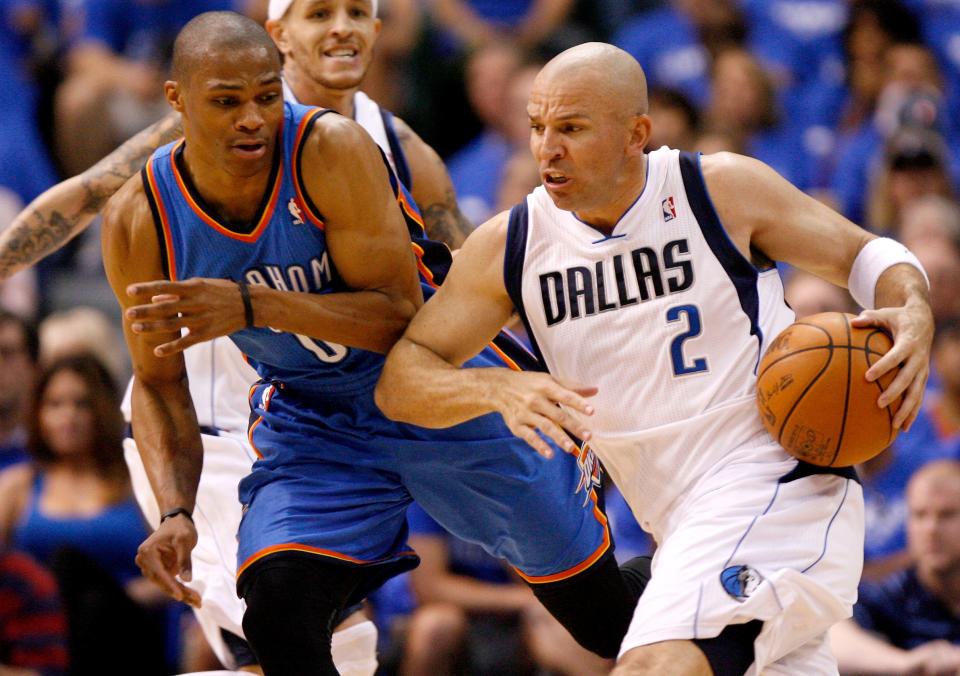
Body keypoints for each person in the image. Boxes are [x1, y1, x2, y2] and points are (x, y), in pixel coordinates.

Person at [106, 13, 643, 674]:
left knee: (604, 624)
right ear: (177, 100)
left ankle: (710, 583)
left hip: (439, 385)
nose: (252, 119)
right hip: (316, 417)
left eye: (267, 97)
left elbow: (398, 316)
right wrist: (174, 511)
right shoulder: (140, 216)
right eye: (226, 102)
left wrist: (252, 304)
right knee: (277, 609)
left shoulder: (330, 149)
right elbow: (158, 381)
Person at [374, 42, 935, 673]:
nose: (546, 149)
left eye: (572, 128)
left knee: (653, 666)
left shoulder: (718, 190)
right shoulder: (514, 243)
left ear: (636, 133)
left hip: (775, 483)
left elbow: (865, 255)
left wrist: (912, 305)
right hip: (677, 526)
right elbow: (404, 378)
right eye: (536, 128)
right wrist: (496, 391)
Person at [0, 0, 481, 667]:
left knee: (338, 641)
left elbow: (475, 291)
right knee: (297, 637)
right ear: (279, 36)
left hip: (315, 427)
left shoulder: (400, 149)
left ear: (379, 30)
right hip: (203, 425)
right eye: (319, 13)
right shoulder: (209, 124)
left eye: (357, 11)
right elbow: (86, 194)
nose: (341, 26)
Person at [0, 353, 167, 673]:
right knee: (62, 568)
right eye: (55, 405)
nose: (68, 417)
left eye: (82, 404)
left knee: (86, 593)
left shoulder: (137, 482)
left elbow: (176, 576)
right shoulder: (17, 486)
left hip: (122, 629)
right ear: (38, 412)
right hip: (39, 631)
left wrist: (121, 595)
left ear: (102, 410)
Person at [830, 460, 960, 674]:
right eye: (920, 515)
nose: (931, 529)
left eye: (947, 515)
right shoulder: (895, 592)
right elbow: (832, 636)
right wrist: (908, 664)